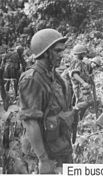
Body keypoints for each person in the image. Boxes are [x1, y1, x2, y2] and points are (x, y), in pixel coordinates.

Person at [18, 28, 76, 174]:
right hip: (45, 153)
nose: (62, 55)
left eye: (62, 50)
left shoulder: (55, 76)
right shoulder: (32, 80)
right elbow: (31, 122)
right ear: (45, 52)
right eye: (57, 51)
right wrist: (43, 160)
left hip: (60, 146)